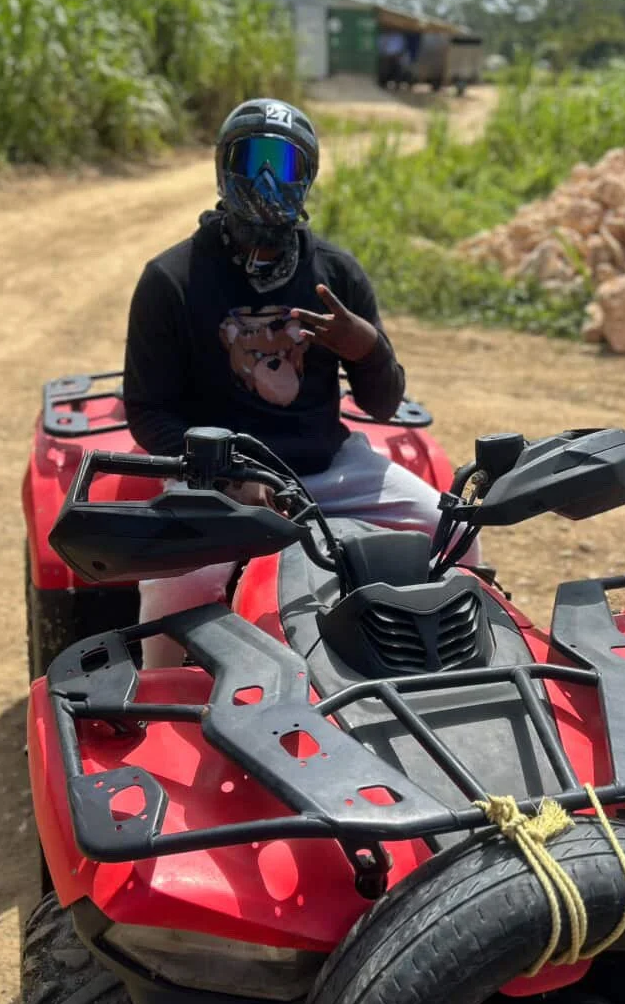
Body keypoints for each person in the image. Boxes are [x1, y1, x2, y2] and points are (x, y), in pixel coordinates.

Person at [123, 97, 477, 666]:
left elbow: (381, 405)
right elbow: (148, 411)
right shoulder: (171, 279)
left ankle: (462, 664)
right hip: (216, 479)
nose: (267, 177)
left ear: (307, 175)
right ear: (223, 167)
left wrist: (367, 348)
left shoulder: (335, 273)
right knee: (177, 580)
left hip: (329, 468)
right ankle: (160, 695)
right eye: (253, 159)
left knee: (452, 528)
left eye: (284, 163)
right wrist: (226, 473)